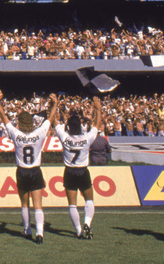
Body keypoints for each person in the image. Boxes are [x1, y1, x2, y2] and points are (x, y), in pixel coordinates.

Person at [0, 90, 58, 244]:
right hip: (35, 170)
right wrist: (55, 104)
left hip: (22, 171)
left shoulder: (16, 134)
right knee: (38, 205)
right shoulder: (40, 132)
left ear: (20, 123)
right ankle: (40, 234)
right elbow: (50, 119)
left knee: (24, 204)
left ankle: (27, 230)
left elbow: (3, 117)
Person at [55, 97, 101, 239]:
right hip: (83, 171)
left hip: (69, 171)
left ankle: (79, 231)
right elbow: (97, 125)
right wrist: (98, 108)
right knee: (89, 200)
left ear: (68, 126)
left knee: (72, 205)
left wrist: (55, 106)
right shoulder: (86, 138)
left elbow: (54, 122)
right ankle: (87, 222)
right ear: (80, 126)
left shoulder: (64, 137)